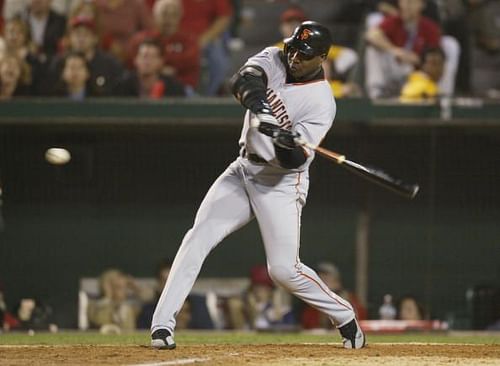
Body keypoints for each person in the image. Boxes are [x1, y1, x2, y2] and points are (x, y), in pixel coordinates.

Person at [150, 21, 366, 350]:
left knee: (283, 270)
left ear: (321, 58)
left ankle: (344, 315)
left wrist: (284, 142)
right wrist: (263, 111)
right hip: (244, 167)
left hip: (280, 182)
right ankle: (162, 326)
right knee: (197, 237)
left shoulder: (322, 103)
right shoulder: (275, 57)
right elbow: (243, 80)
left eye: (305, 54)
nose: (295, 56)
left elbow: (294, 161)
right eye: (294, 47)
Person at [275, 6, 360, 98]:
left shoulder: (316, 45)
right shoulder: (275, 50)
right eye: (289, 24)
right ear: (282, 27)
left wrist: (333, 67)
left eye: (296, 24)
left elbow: (350, 55)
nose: (292, 27)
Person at [364, 0, 441, 98]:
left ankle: (437, 96)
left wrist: (417, 59)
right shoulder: (395, 20)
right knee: (373, 50)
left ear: (422, 5)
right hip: (395, 67)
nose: (407, 6)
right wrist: (394, 50)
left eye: (412, 2)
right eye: (404, 2)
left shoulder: (428, 26)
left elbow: (436, 54)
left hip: (417, 73)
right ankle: (376, 94)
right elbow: (371, 35)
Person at [127, 0, 200, 93]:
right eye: (164, 14)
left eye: (173, 14)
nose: (168, 19)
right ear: (155, 15)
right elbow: (131, 61)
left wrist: (155, 66)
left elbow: (190, 61)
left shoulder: (189, 40)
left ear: (180, 16)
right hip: (145, 88)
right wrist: (162, 68)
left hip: (183, 87)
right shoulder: (141, 39)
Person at [49, 16, 124, 97]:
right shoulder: (59, 62)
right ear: (69, 38)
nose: (81, 39)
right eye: (77, 34)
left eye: (86, 34)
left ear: (95, 38)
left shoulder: (110, 64)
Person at [226, 264, 295, 330]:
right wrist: (251, 313)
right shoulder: (244, 306)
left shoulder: (281, 309)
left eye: (265, 288)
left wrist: (276, 311)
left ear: (271, 290)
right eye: (257, 287)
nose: (260, 291)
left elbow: (289, 330)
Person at [301, 262, 367, 329]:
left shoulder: (349, 299)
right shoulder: (314, 302)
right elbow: (307, 326)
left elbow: (360, 325)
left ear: (337, 281)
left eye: (326, 278)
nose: (322, 281)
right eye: (319, 278)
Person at [115, 39, 186, 99]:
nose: (147, 61)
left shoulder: (174, 88)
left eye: (152, 57)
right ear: (136, 60)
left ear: (160, 62)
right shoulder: (122, 86)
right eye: (144, 56)